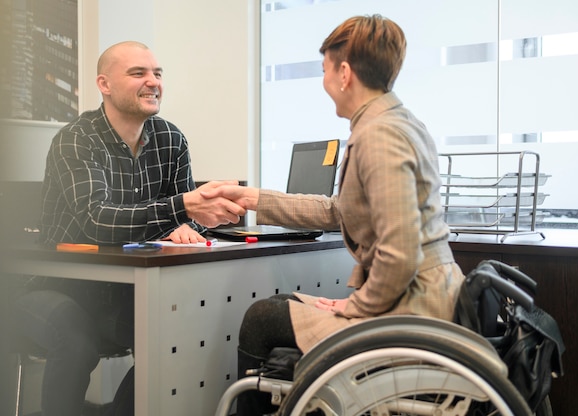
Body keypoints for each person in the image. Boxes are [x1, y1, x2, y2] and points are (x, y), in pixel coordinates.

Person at [197, 14, 465, 415]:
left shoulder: (379, 135)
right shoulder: (397, 122)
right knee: (281, 306)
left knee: (262, 318)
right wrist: (252, 197)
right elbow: (336, 210)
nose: (323, 83)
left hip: (411, 310)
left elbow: (401, 254)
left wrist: (353, 308)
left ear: (344, 72)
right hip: (418, 299)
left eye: (324, 71)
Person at [11, 41, 246, 416]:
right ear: (104, 84)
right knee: (76, 342)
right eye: (138, 73)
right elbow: (97, 220)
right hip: (53, 286)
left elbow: (185, 217)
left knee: (181, 337)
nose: (153, 82)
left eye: (157, 73)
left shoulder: (171, 139)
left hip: (122, 291)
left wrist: (194, 219)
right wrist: (182, 208)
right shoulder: (77, 139)